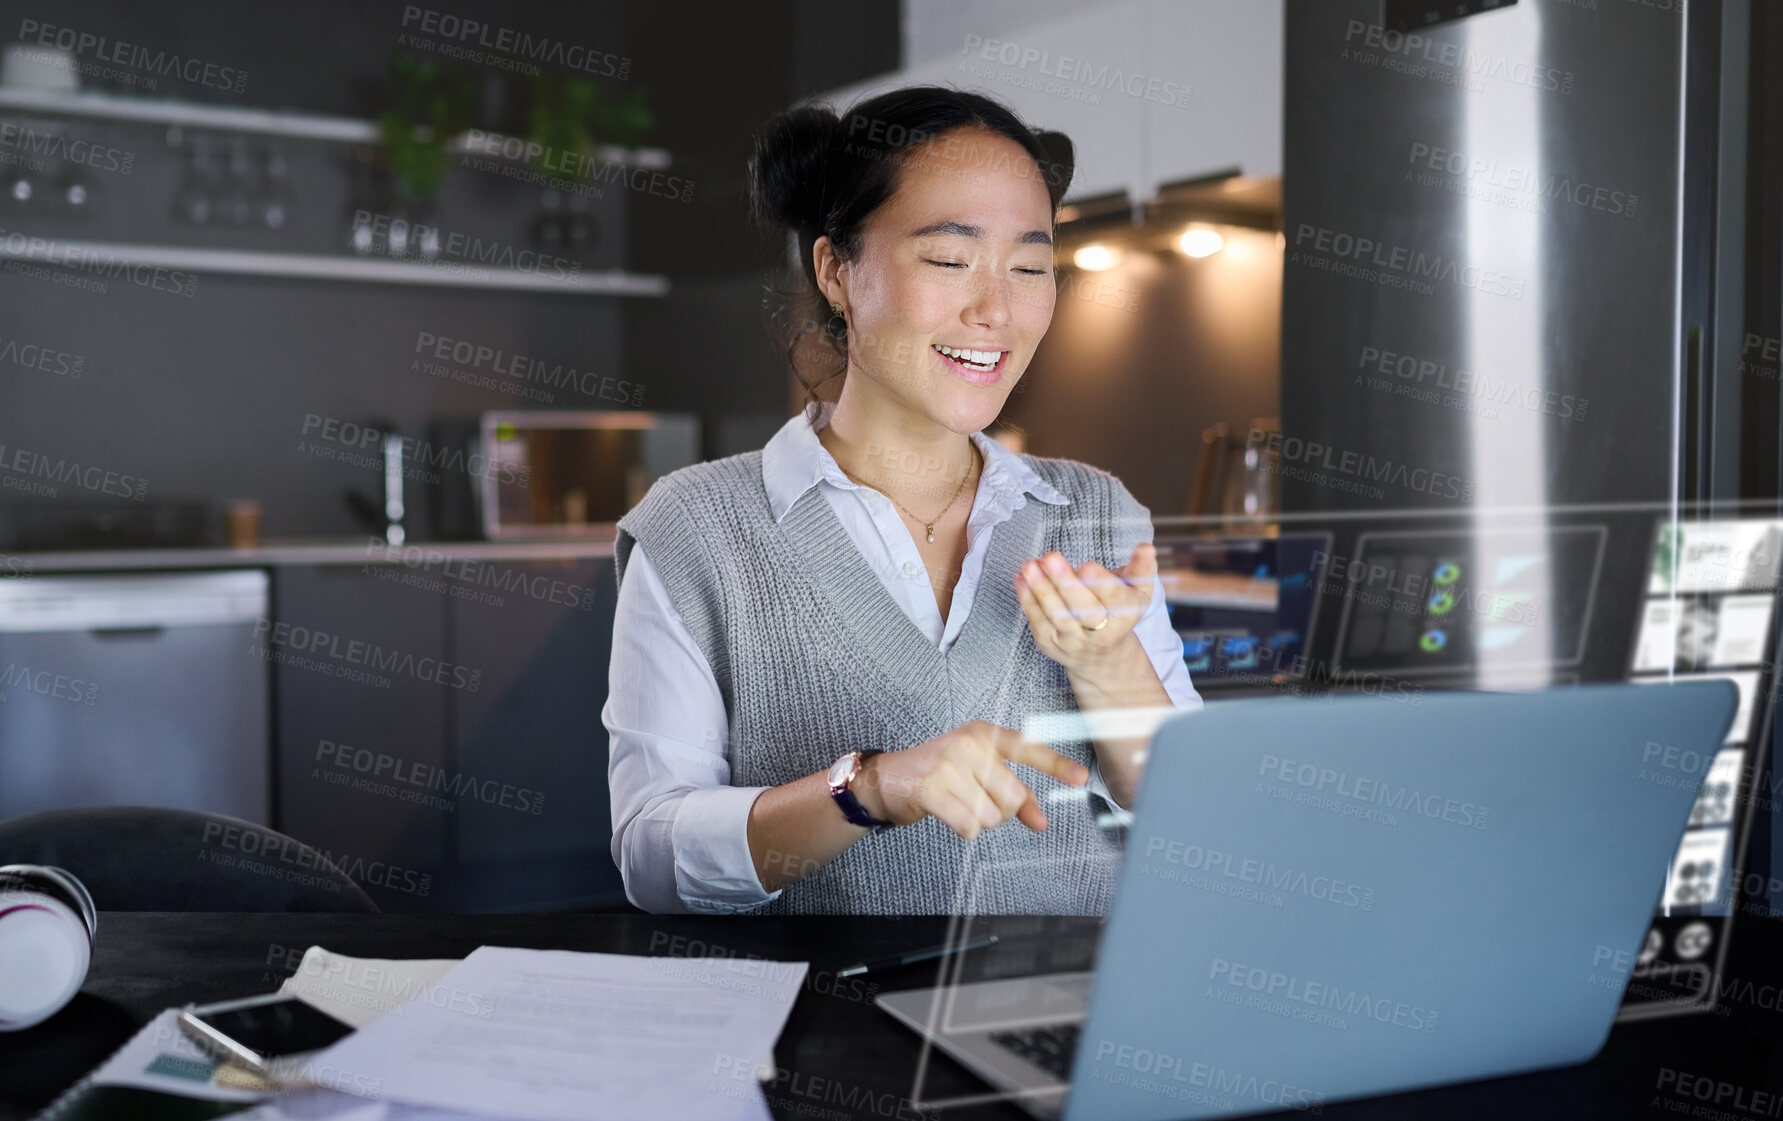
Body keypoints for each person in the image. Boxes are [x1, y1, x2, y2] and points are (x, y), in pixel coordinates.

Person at [604, 84, 1201, 915]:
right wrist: (869, 789)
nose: (996, 310)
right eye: (949, 260)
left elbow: (1194, 823)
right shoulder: (698, 528)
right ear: (835, 270)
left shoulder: (1096, 511)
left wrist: (1110, 666)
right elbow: (652, 859)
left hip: (1065, 1020)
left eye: (1030, 267)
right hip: (826, 1027)